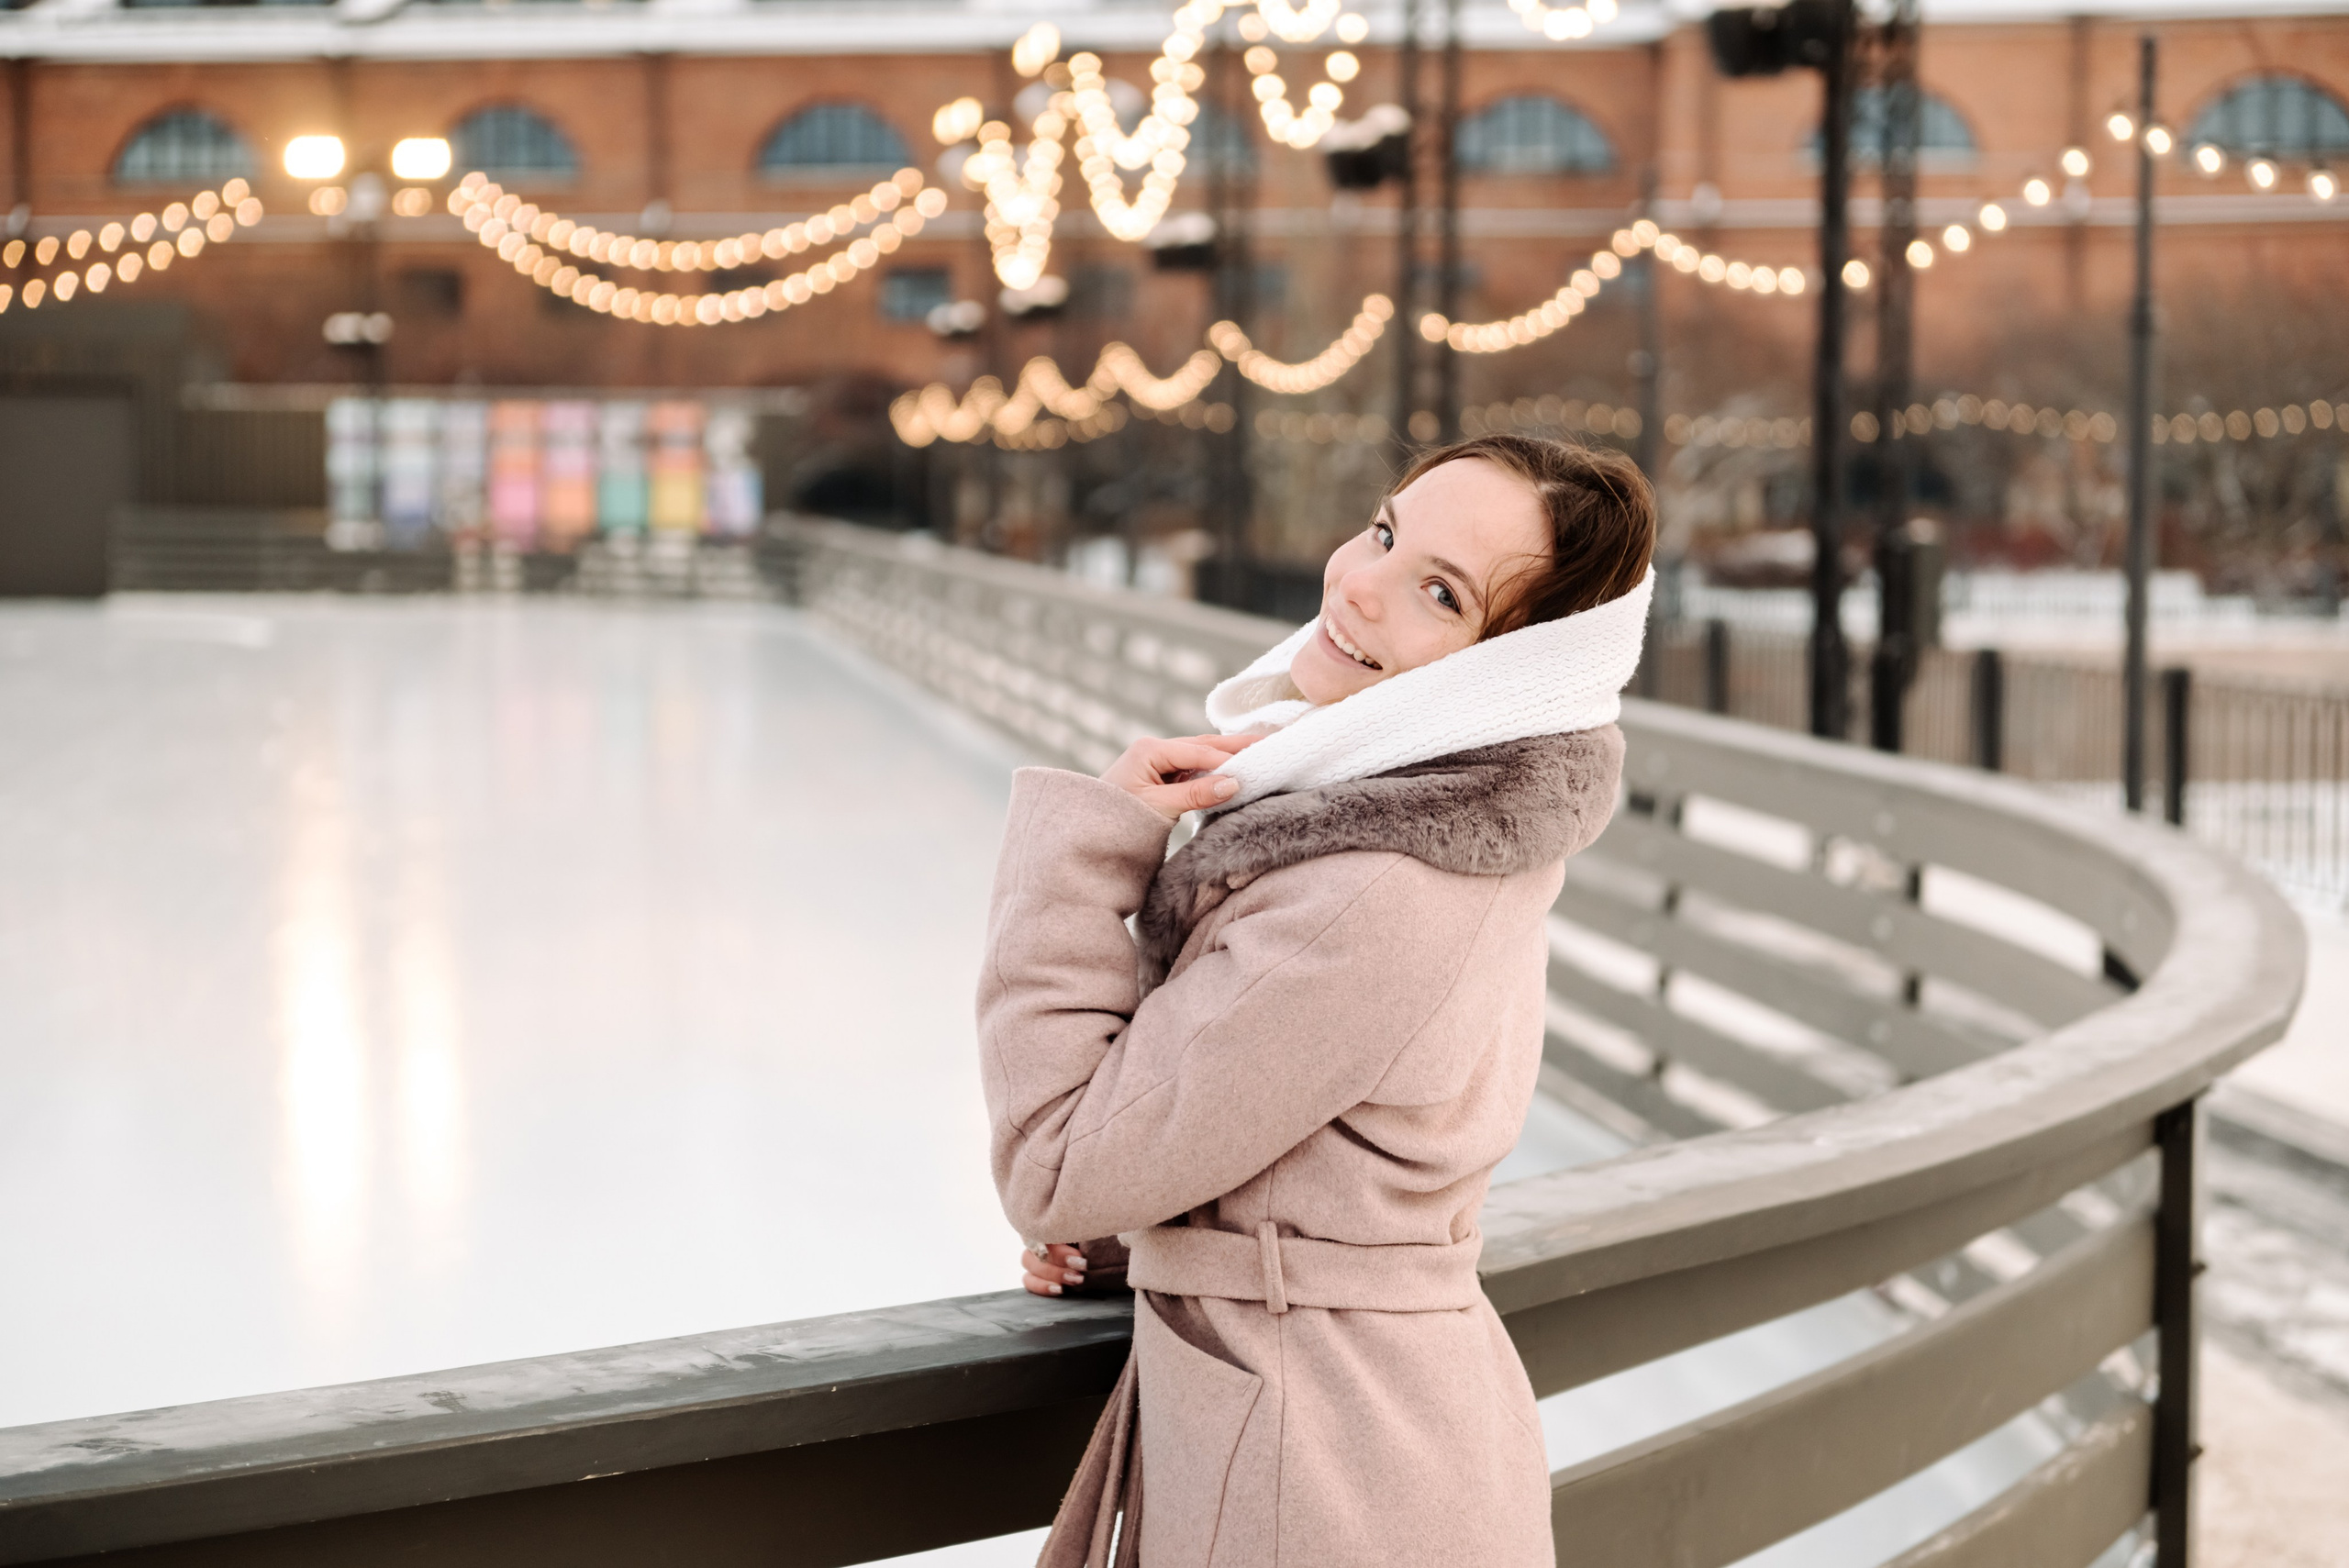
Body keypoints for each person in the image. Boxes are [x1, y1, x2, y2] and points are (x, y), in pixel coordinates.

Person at [978, 434, 1657, 1567]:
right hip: (1358, 1432)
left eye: (1439, 592)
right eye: (1385, 532)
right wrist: (1180, 1222)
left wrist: (1082, 852)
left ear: (1510, 669)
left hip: (1318, 1477)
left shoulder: (1371, 888)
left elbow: (1051, 1166)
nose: (1357, 583)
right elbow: (1347, 1136)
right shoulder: (1437, 836)